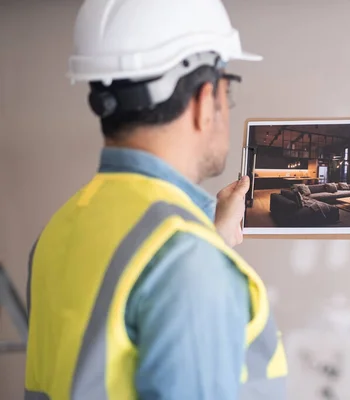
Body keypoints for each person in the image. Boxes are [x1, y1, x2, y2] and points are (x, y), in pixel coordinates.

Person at [23, 0, 288, 399]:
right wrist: (202, 252)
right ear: (205, 101)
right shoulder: (187, 260)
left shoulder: (60, 229)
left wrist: (210, 239)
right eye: (226, 93)